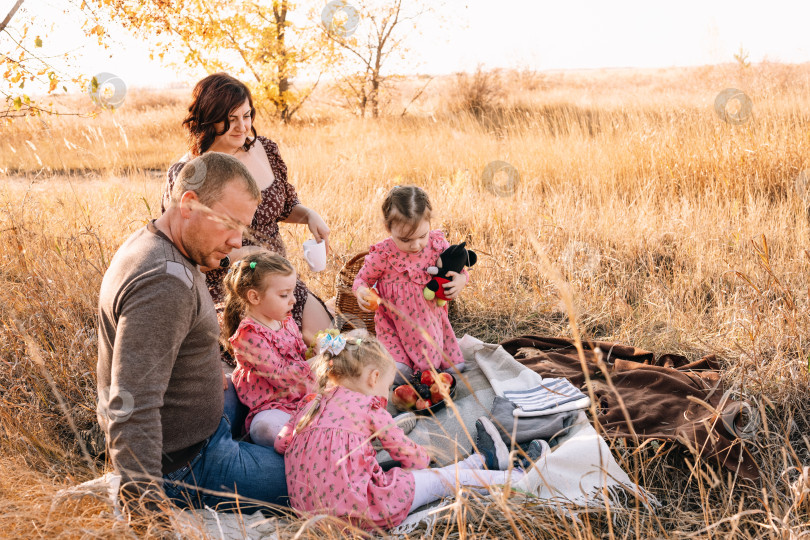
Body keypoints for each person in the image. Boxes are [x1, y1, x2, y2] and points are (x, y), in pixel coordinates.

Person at [97, 152, 287, 516]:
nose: (236, 241)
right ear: (189, 204)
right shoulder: (163, 283)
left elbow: (168, 342)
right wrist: (149, 516)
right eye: (229, 223)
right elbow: (130, 407)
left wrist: (205, 366)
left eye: (242, 228)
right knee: (329, 474)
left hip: (203, 423)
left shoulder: (158, 240)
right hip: (189, 465)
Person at [274, 333, 522, 531]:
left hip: (311, 519)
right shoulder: (368, 407)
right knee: (442, 481)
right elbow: (411, 457)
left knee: (421, 475)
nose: (386, 395)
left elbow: (280, 444)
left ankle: (480, 460)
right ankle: (519, 479)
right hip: (365, 512)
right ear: (374, 378)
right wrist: (424, 459)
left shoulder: (310, 405)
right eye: (386, 386)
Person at [161, 72, 331, 346]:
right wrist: (245, 255)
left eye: (247, 115)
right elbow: (182, 252)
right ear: (209, 118)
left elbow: (284, 207)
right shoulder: (190, 172)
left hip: (281, 283)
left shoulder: (264, 149)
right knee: (277, 358)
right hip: (229, 289)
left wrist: (309, 215)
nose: (242, 126)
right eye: (231, 119)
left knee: (329, 345)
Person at [352, 185, 467, 383]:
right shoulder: (383, 255)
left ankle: (435, 364)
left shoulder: (436, 244)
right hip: (395, 327)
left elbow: (457, 268)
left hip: (432, 322)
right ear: (389, 229)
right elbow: (362, 279)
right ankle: (406, 366)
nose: (415, 245)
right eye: (405, 239)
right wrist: (361, 292)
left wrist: (461, 280)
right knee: (399, 375)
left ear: (429, 223)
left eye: (422, 236)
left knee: (456, 369)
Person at [221, 251, 316, 446]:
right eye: (284, 295)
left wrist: (314, 351)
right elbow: (281, 377)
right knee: (265, 427)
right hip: (273, 405)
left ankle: (317, 433)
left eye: (292, 293)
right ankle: (305, 443)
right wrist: (316, 362)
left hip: (301, 394)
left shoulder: (285, 321)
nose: (293, 300)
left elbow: (300, 354)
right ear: (255, 297)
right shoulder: (249, 335)